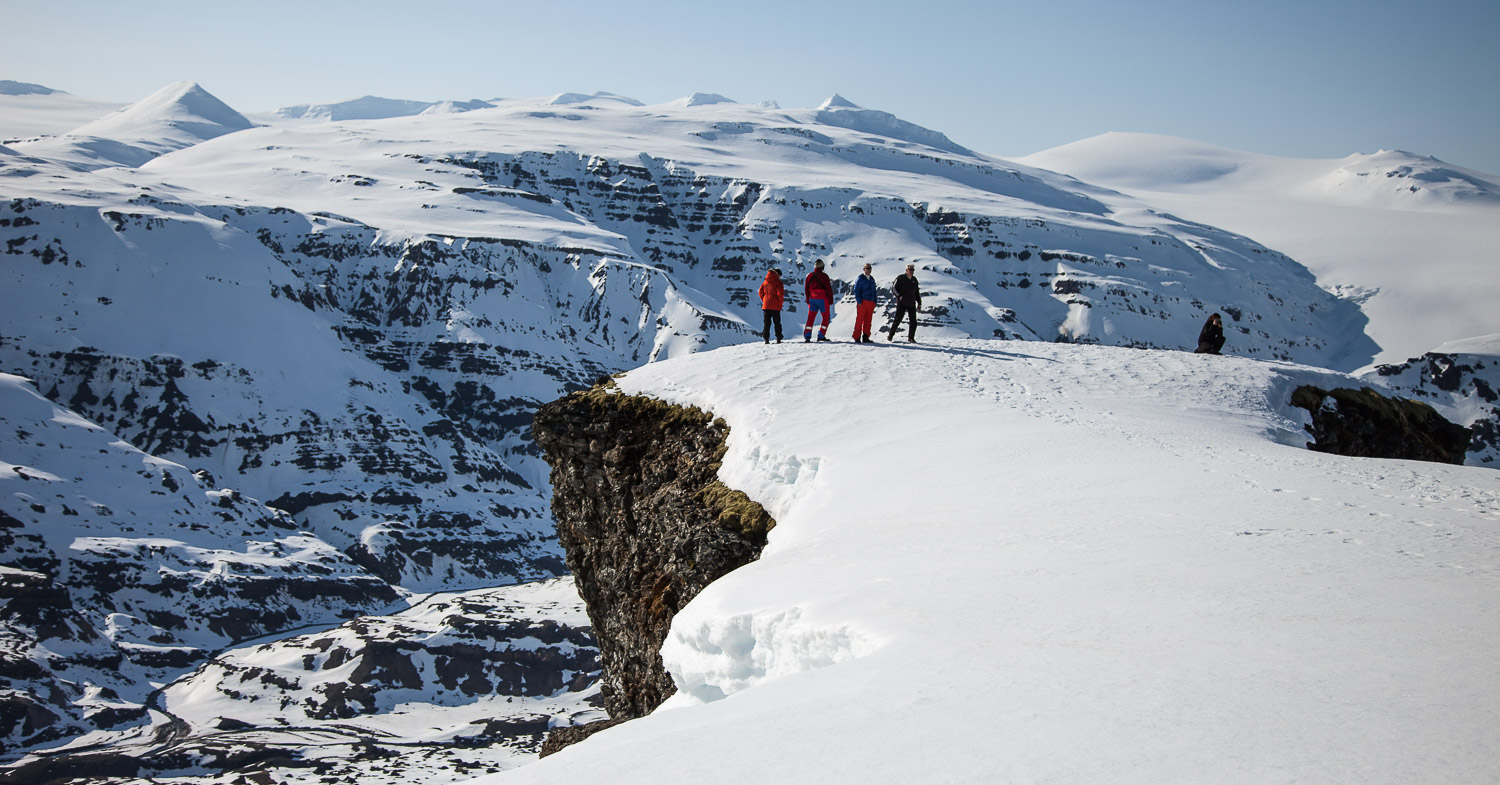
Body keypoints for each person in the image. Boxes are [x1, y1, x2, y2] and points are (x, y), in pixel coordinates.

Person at [887, 263, 921, 342]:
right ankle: (890, 335)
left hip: (911, 303)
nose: (912, 271)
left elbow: (917, 292)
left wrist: (919, 303)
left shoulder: (914, 280)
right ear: (906, 270)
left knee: (913, 321)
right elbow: (893, 288)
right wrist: (899, 296)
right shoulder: (900, 278)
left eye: (913, 270)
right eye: (910, 269)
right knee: (898, 320)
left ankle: (911, 338)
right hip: (902, 303)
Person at [803, 259, 834, 342]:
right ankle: (821, 335)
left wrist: (808, 299)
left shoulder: (809, 276)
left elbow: (806, 289)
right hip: (823, 299)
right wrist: (831, 300)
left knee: (811, 317)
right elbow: (828, 289)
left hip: (812, 299)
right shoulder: (824, 276)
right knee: (826, 317)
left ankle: (807, 335)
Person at [851, 262, 878, 343]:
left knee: (868, 320)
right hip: (863, 301)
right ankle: (857, 337)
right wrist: (859, 300)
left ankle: (866, 336)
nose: (869, 270)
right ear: (864, 269)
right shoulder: (861, 278)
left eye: (870, 268)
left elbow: (874, 291)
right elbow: (856, 290)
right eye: (867, 268)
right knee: (860, 319)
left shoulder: (872, 279)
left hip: (871, 302)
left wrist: (874, 301)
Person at [758, 268, 786, 344]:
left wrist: (764, 300)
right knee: (777, 322)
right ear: (777, 275)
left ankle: (766, 339)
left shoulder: (765, 282)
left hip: (766, 305)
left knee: (766, 323)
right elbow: (780, 294)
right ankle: (778, 338)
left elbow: (760, 292)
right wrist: (780, 302)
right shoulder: (778, 282)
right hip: (775, 305)